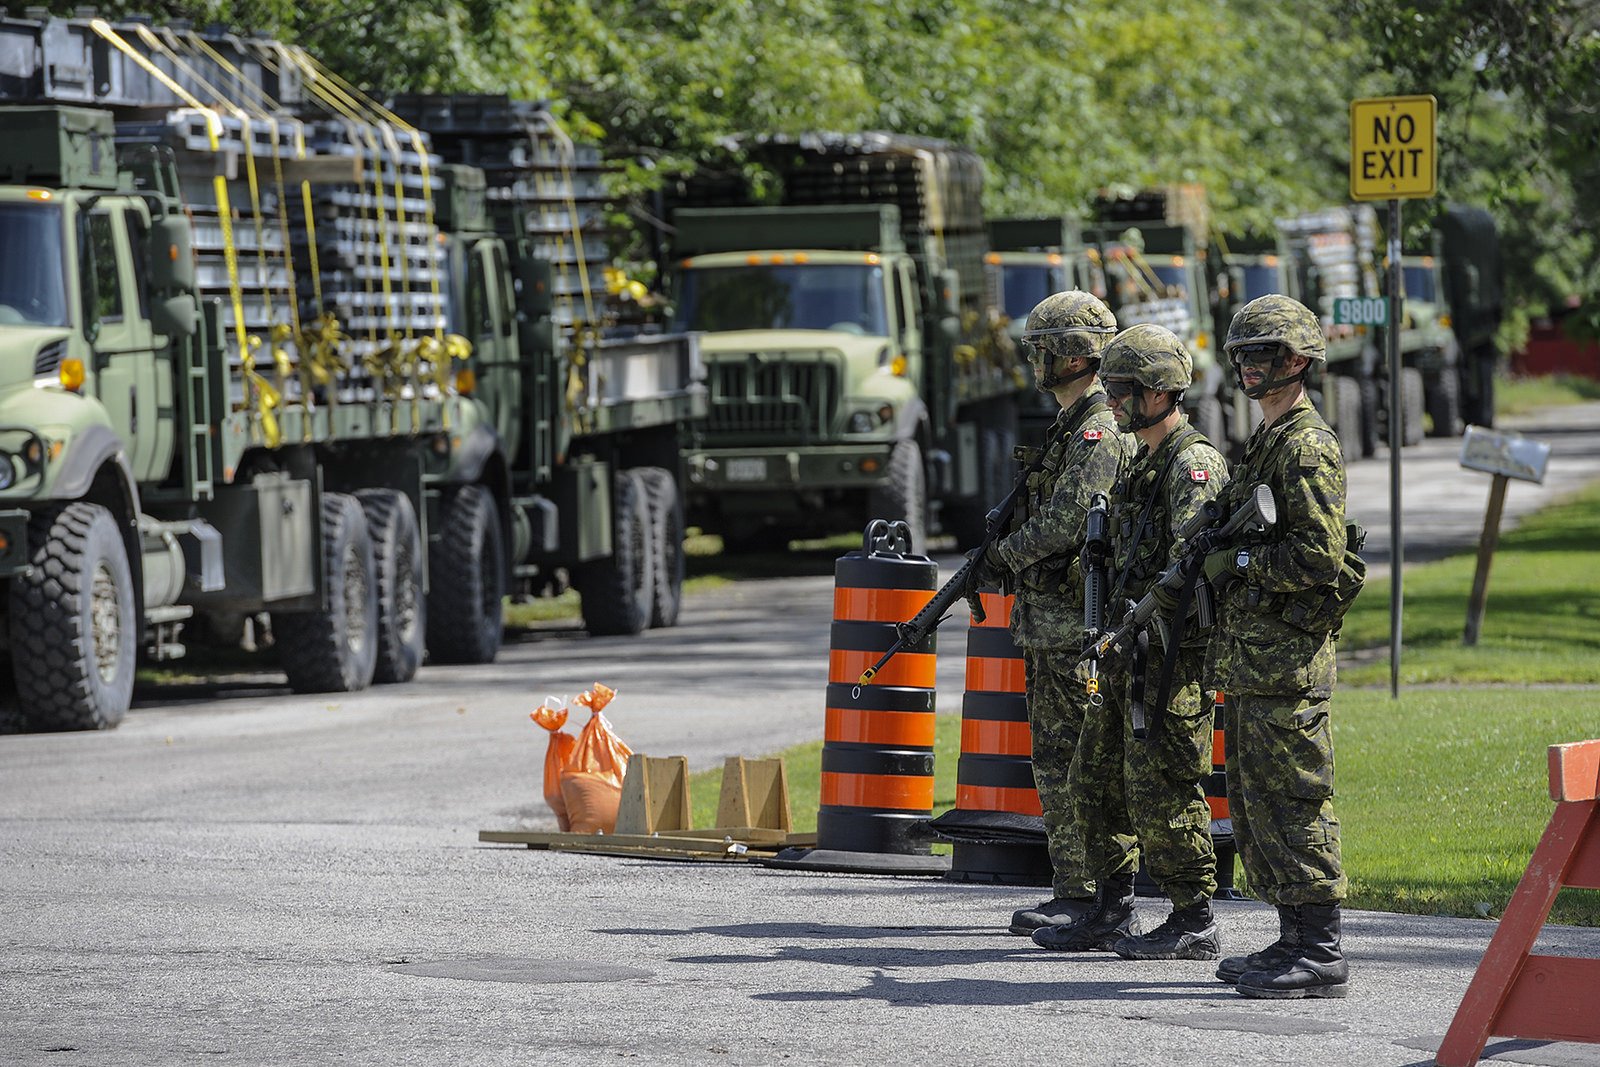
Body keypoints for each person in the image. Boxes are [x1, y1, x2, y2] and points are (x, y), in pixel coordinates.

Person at [1033, 323, 1228, 960]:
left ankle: (1193, 914)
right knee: (1094, 778)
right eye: (1110, 387)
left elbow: (1191, 564)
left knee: (1164, 787)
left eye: (1123, 389)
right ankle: (1109, 909)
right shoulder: (1143, 462)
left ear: (1160, 391)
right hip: (1124, 648)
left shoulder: (1191, 464)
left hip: (1168, 657)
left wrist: (1141, 621)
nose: (1112, 401)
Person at [1205, 294, 1352, 999]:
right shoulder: (1268, 439)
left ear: (1296, 361)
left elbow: (1318, 559)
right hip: (1258, 661)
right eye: (1239, 355)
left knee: (1296, 802)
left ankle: (1320, 947)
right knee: (1259, 805)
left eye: (1258, 355)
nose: (1245, 367)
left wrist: (1238, 565)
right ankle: (1293, 936)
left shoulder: (1306, 445)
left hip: (1289, 663)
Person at [975, 291, 1135, 936]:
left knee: (1085, 763)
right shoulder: (1069, 426)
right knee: (1055, 759)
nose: (1036, 360)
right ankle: (1074, 888)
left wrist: (999, 560)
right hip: (1050, 621)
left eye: (1046, 348)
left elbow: (1070, 521)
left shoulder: (1098, 430)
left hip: (1079, 622)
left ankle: (1101, 898)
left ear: (1077, 355)